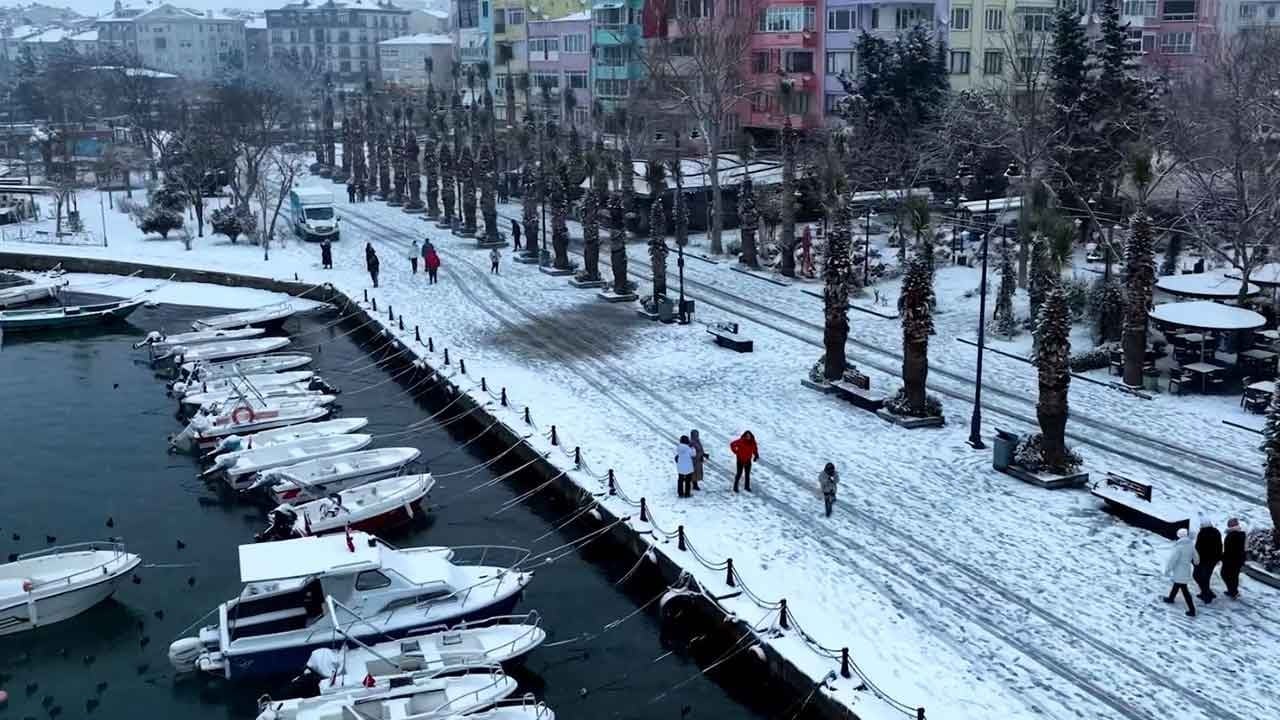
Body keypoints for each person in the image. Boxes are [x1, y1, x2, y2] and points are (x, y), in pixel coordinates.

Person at [1163, 527, 1199, 617]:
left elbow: (1172, 560)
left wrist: (1167, 570)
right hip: (1186, 570)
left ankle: (1192, 610)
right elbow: (1196, 557)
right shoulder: (1190, 545)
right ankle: (1171, 598)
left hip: (1179, 570)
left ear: (1179, 536)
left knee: (1184, 589)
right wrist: (1196, 562)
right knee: (1177, 585)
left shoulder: (1179, 547)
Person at [1193, 517, 1223, 603]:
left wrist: (1194, 559)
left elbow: (1198, 547)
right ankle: (1207, 593)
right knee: (1206, 577)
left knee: (1197, 576)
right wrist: (1218, 558)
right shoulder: (1216, 532)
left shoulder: (1202, 533)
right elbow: (1220, 546)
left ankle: (1206, 595)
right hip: (1212, 560)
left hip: (1203, 560)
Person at [1221, 518, 1246, 598]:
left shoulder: (1232, 535)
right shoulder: (1241, 534)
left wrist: (1222, 556)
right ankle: (1234, 591)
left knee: (1225, 574)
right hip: (1238, 559)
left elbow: (1230, 550)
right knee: (1234, 576)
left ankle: (1232, 592)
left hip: (1231, 560)